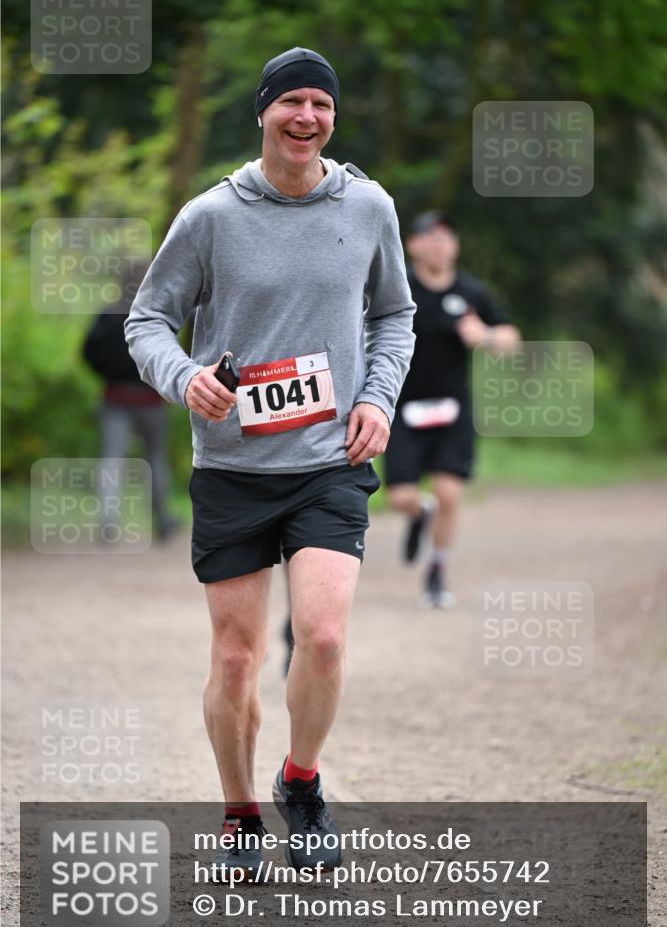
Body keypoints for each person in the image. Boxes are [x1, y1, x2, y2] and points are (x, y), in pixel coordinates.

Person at [125, 47, 415, 879]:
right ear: (261, 113)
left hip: (330, 460)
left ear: (333, 118)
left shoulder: (367, 207)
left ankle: (301, 782)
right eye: (290, 102)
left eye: (320, 105)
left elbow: (394, 315)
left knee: (321, 638)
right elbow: (147, 322)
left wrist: (377, 400)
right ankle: (239, 812)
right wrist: (184, 380)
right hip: (233, 467)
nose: (306, 118)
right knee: (235, 657)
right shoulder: (209, 217)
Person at [384, 211, 520, 607]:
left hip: (452, 411)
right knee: (400, 498)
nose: (438, 244)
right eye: (429, 236)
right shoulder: (398, 288)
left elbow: (511, 337)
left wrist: (487, 335)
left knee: (449, 493)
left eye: (446, 237)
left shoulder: (472, 293)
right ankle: (418, 513)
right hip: (403, 408)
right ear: (413, 245)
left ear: (455, 246)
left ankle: (438, 571)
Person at [82, 269, 180, 541]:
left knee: (112, 458)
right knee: (156, 459)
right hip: (150, 400)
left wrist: (107, 375)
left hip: (115, 398)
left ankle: (108, 520)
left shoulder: (108, 314)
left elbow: (87, 351)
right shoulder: (157, 316)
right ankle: (162, 520)